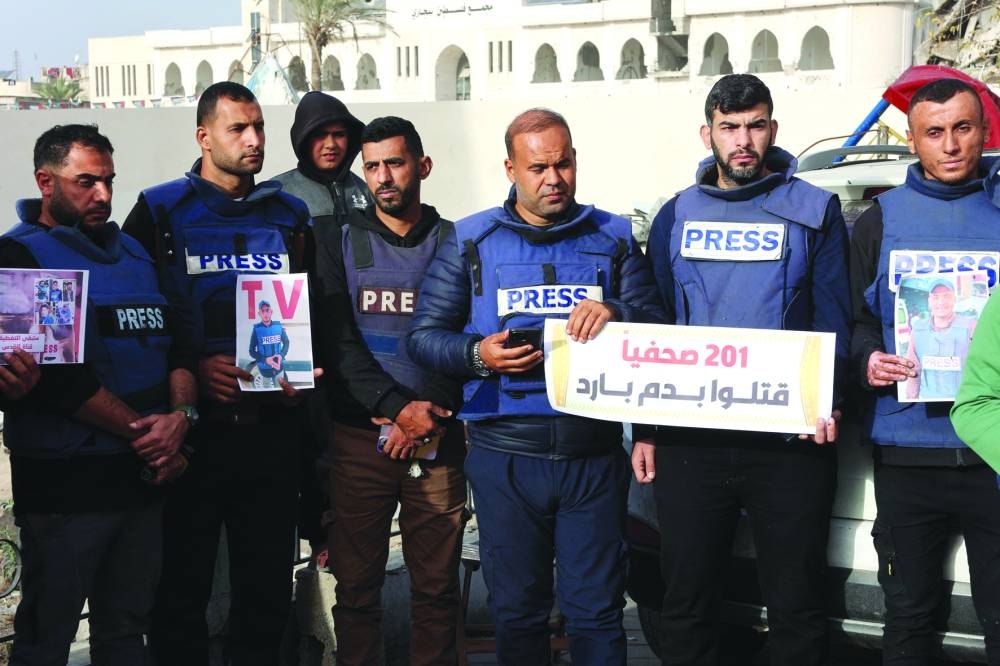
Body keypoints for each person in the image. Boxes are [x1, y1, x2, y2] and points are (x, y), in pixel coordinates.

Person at [407, 108, 666, 663]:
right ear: (510, 169)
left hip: (592, 454)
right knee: (518, 613)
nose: (555, 179)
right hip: (507, 456)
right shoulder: (470, 240)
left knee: (596, 612)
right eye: (539, 167)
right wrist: (479, 355)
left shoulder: (613, 237)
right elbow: (424, 338)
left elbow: (659, 329)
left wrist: (615, 310)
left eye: (564, 164)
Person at [634, 73, 850, 666]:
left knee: (797, 608)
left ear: (773, 129)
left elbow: (836, 319)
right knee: (686, 605)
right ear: (708, 134)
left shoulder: (816, 210)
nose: (743, 141)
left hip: (789, 444)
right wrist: (646, 429)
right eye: (729, 128)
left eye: (755, 125)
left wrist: (827, 402)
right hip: (690, 444)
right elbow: (652, 325)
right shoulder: (675, 215)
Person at [122, 82, 313, 666]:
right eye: (238, 129)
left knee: (265, 594)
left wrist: (300, 371)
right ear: (204, 136)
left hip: (270, 431)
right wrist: (193, 371)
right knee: (180, 593)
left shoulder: (289, 214)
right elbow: (135, 319)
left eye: (259, 127)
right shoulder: (158, 210)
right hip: (194, 437)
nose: (254, 140)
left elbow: (310, 314)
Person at [0, 123, 195, 665]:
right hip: (68, 490)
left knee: (127, 632)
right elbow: (59, 381)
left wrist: (181, 417)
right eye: (86, 182)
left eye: (108, 180)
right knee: (48, 636)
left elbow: (180, 343)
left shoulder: (134, 253)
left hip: (142, 482)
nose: (103, 196)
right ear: (46, 181)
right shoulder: (21, 258)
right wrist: (151, 437)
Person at [852, 77, 1000, 665]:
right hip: (907, 451)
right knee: (908, 621)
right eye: (934, 132)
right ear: (912, 140)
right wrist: (868, 361)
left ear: (983, 131)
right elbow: (852, 323)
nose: (951, 145)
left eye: (963, 128)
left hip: (992, 455)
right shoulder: (878, 220)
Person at [315, 115, 466, 665]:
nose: (383, 177)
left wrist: (427, 418)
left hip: (439, 438)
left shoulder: (456, 241)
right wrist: (396, 409)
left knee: (436, 590)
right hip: (362, 439)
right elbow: (338, 344)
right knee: (356, 592)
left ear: (422, 167)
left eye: (395, 163)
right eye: (372, 165)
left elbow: (465, 338)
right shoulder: (336, 239)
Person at [271, 90, 371, 557]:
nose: (331, 144)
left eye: (339, 135)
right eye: (320, 136)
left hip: (358, 336)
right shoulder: (277, 194)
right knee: (310, 440)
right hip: (302, 337)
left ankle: (351, 531)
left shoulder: (365, 187)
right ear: (301, 141)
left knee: (354, 438)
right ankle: (318, 535)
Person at [904, 279, 976, 400]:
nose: (941, 302)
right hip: (928, 402)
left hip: (963, 402)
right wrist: (911, 400)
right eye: (936, 297)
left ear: (954, 299)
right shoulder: (918, 329)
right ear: (929, 301)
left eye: (947, 296)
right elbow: (913, 370)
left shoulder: (970, 326)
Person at [248, 299, 289, 389]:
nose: (265, 313)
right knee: (267, 391)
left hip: (279, 368)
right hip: (264, 370)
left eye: (267, 310)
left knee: (280, 392)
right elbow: (251, 351)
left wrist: (281, 355)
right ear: (259, 313)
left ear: (271, 312)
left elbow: (286, 342)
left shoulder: (278, 326)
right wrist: (265, 360)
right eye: (263, 311)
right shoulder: (256, 329)